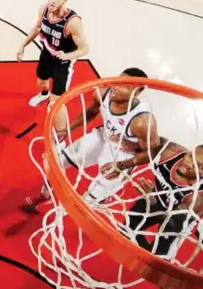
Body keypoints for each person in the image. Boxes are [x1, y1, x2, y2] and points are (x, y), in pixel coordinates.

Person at [23, 68, 160, 211]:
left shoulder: (142, 121)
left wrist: (123, 165)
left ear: (136, 93)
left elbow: (152, 152)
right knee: (57, 162)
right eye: (118, 81)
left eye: (124, 86)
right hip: (103, 136)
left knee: (87, 203)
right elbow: (90, 112)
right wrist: (67, 129)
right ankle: (45, 195)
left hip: (123, 154)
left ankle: (102, 196)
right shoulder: (102, 93)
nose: (116, 87)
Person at [126, 139, 203, 258]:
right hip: (155, 198)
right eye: (191, 156)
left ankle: (155, 253)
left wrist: (153, 199)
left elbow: (172, 220)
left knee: (156, 256)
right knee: (126, 230)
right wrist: (125, 159)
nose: (189, 164)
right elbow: (150, 139)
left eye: (201, 166)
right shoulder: (171, 152)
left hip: (178, 219)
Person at [17, 0, 90, 134]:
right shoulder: (43, 10)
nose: (53, 1)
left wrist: (68, 55)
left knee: (57, 105)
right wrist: (23, 45)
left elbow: (85, 49)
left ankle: (61, 136)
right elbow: (37, 28)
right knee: (41, 82)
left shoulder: (72, 22)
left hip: (62, 63)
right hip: (46, 53)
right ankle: (44, 94)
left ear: (65, 0)